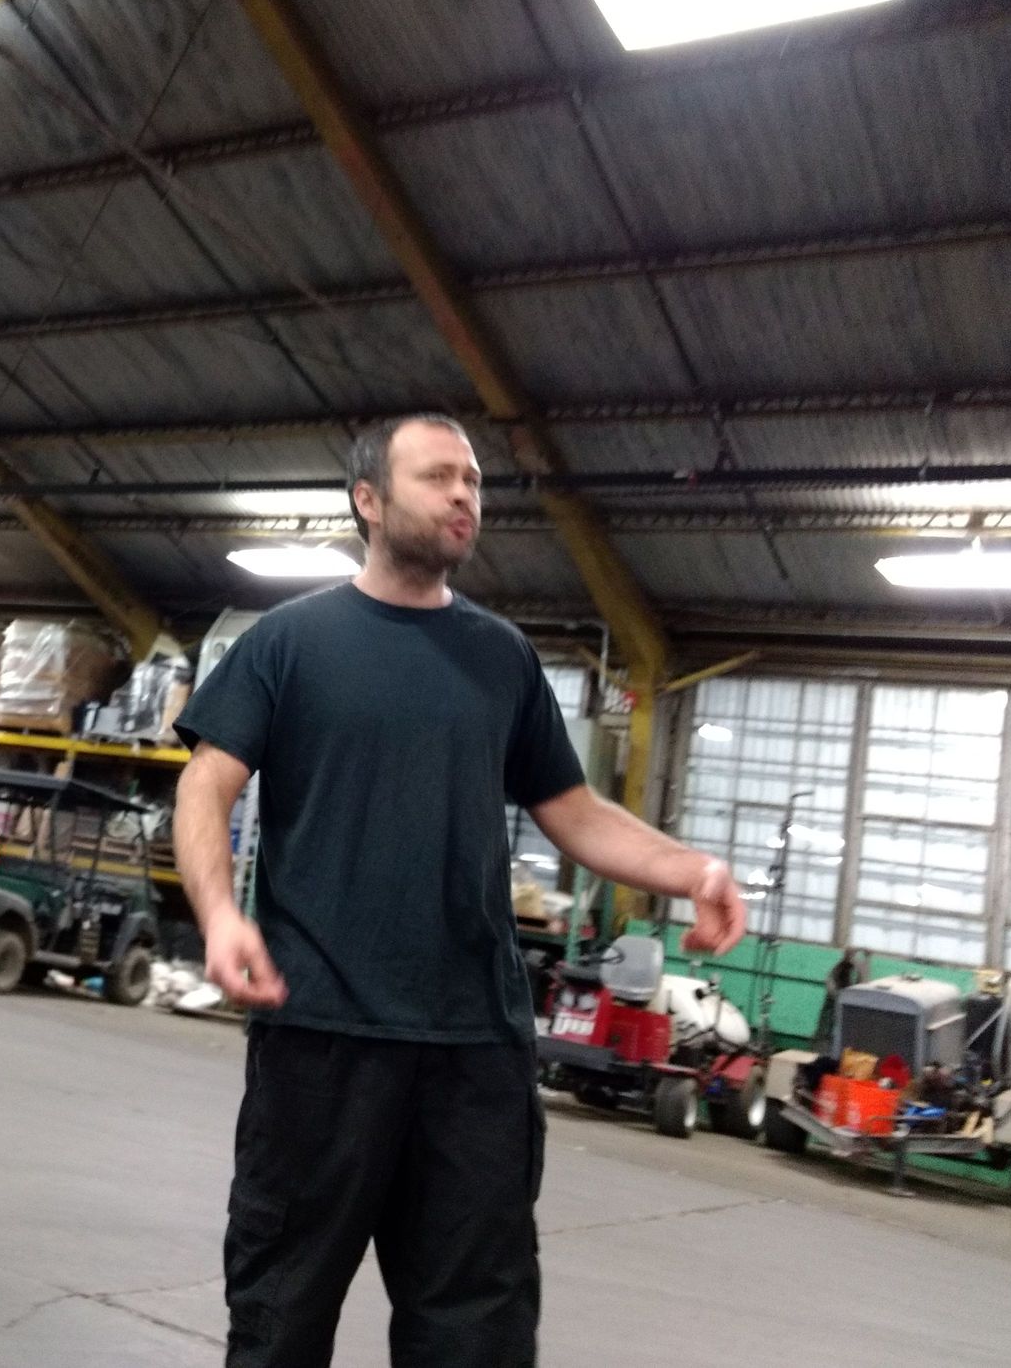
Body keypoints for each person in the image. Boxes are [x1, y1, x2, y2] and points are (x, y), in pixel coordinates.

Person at [173, 414, 747, 1368]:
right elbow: (206, 784)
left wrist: (695, 871)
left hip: (475, 1051)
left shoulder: (501, 657)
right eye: (438, 477)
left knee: (478, 1336)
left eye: (474, 481)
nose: (464, 496)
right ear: (369, 500)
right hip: (323, 1039)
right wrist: (220, 912)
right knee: (280, 1319)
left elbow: (573, 811)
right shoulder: (289, 642)